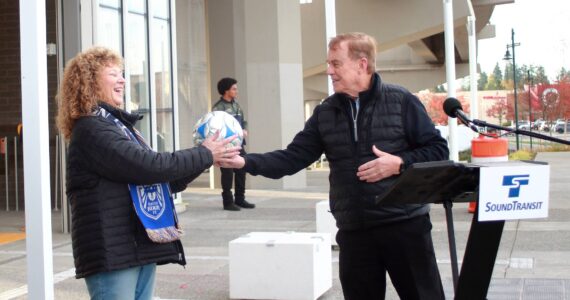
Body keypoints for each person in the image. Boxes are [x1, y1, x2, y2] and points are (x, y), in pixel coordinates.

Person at [227, 32, 449, 299]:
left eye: (335, 63)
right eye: (328, 64)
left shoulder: (401, 100)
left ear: (362, 64)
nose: (329, 71)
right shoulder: (325, 112)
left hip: (405, 227)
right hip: (355, 233)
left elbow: (438, 150)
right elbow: (292, 157)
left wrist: (399, 163)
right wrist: (244, 161)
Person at [56, 47, 240, 300]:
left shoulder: (116, 127)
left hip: (135, 245)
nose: (122, 80)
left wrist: (207, 159)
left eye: (122, 74)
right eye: (113, 74)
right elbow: (147, 165)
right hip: (112, 250)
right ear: (89, 82)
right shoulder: (92, 128)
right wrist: (204, 154)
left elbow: (161, 179)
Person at [212, 77, 255, 211]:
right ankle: (228, 202)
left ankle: (240, 199)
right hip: (225, 146)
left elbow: (243, 120)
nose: (236, 91)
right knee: (227, 173)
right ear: (226, 90)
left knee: (242, 169)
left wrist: (244, 129)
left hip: (238, 144)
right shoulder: (218, 108)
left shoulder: (236, 105)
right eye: (234, 89)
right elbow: (215, 126)